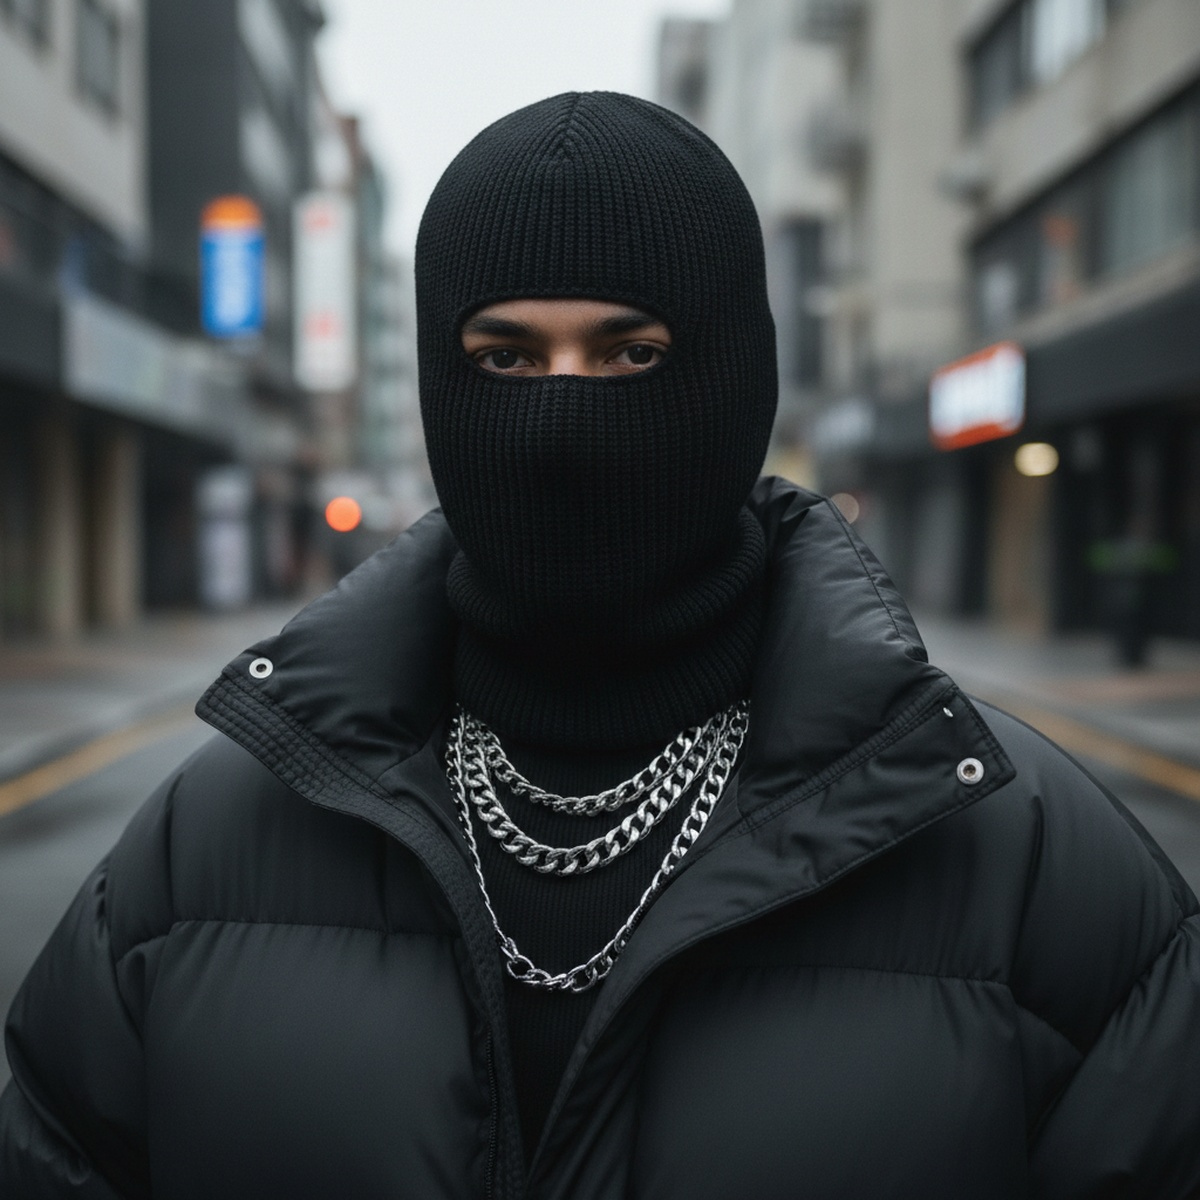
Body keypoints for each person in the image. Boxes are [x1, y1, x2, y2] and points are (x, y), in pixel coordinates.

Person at [3, 91, 1199, 1199]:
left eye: (634, 354)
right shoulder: (206, 843)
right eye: (505, 359)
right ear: (436, 384)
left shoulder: (1019, 855)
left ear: (738, 376)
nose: (564, 414)